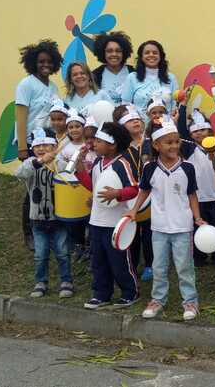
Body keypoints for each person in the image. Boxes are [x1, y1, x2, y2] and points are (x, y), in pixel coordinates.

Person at [125, 118, 206, 321]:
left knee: (184, 267)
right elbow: (144, 191)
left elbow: (192, 195)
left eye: (176, 142)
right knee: (159, 267)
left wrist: (197, 218)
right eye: (168, 142)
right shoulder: (150, 168)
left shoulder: (188, 168)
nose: (173, 146)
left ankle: (190, 302)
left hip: (182, 227)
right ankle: (157, 300)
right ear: (156, 145)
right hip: (159, 228)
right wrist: (134, 210)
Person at [74, 122, 140, 310]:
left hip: (115, 224)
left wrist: (117, 194)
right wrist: (79, 167)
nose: (94, 143)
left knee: (119, 261)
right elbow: (94, 187)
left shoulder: (122, 164)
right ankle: (101, 294)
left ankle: (130, 292)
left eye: (99, 141)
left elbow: (134, 189)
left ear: (112, 145)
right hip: (96, 221)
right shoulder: (97, 163)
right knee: (98, 260)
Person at [15, 128, 74, 299]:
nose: (41, 149)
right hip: (37, 220)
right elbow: (19, 174)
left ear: (55, 146)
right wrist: (39, 161)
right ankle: (40, 282)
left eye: (46, 145)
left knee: (63, 252)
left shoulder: (60, 163)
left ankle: (66, 281)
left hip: (59, 219)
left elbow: (71, 178)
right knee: (40, 255)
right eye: (37, 146)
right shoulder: (30, 164)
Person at [15, 39, 62, 251]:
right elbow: (21, 116)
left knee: (48, 183)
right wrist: (23, 147)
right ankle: (29, 233)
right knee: (31, 186)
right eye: (41, 61)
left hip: (49, 142)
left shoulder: (52, 86)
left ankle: (49, 229)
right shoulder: (26, 84)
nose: (46, 65)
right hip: (32, 143)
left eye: (50, 62)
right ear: (33, 62)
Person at [115, 104, 154, 281]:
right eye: (130, 120)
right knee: (133, 230)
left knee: (149, 231)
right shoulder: (122, 148)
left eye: (137, 119)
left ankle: (150, 264)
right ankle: (133, 263)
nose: (135, 122)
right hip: (131, 193)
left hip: (152, 191)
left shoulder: (150, 141)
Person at [186, 110, 215, 267]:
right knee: (198, 226)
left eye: (202, 130)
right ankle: (198, 257)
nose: (199, 133)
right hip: (198, 197)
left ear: (209, 130)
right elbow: (179, 130)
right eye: (195, 131)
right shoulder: (189, 149)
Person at [56, 109, 89, 257]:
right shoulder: (64, 148)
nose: (74, 130)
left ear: (83, 127)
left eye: (77, 126)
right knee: (76, 220)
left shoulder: (90, 146)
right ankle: (78, 244)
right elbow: (61, 169)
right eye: (71, 127)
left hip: (88, 186)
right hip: (72, 189)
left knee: (89, 217)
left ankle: (90, 246)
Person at [121, 40, 176, 119]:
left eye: (155, 53)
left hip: (166, 128)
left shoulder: (171, 78)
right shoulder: (132, 77)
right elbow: (125, 105)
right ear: (141, 57)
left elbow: (175, 105)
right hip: (140, 128)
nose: (151, 55)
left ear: (161, 56)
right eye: (147, 53)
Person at [91, 31, 134, 104]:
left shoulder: (134, 73)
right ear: (102, 53)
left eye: (118, 51)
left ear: (124, 53)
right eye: (109, 51)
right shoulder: (95, 75)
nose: (114, 54)